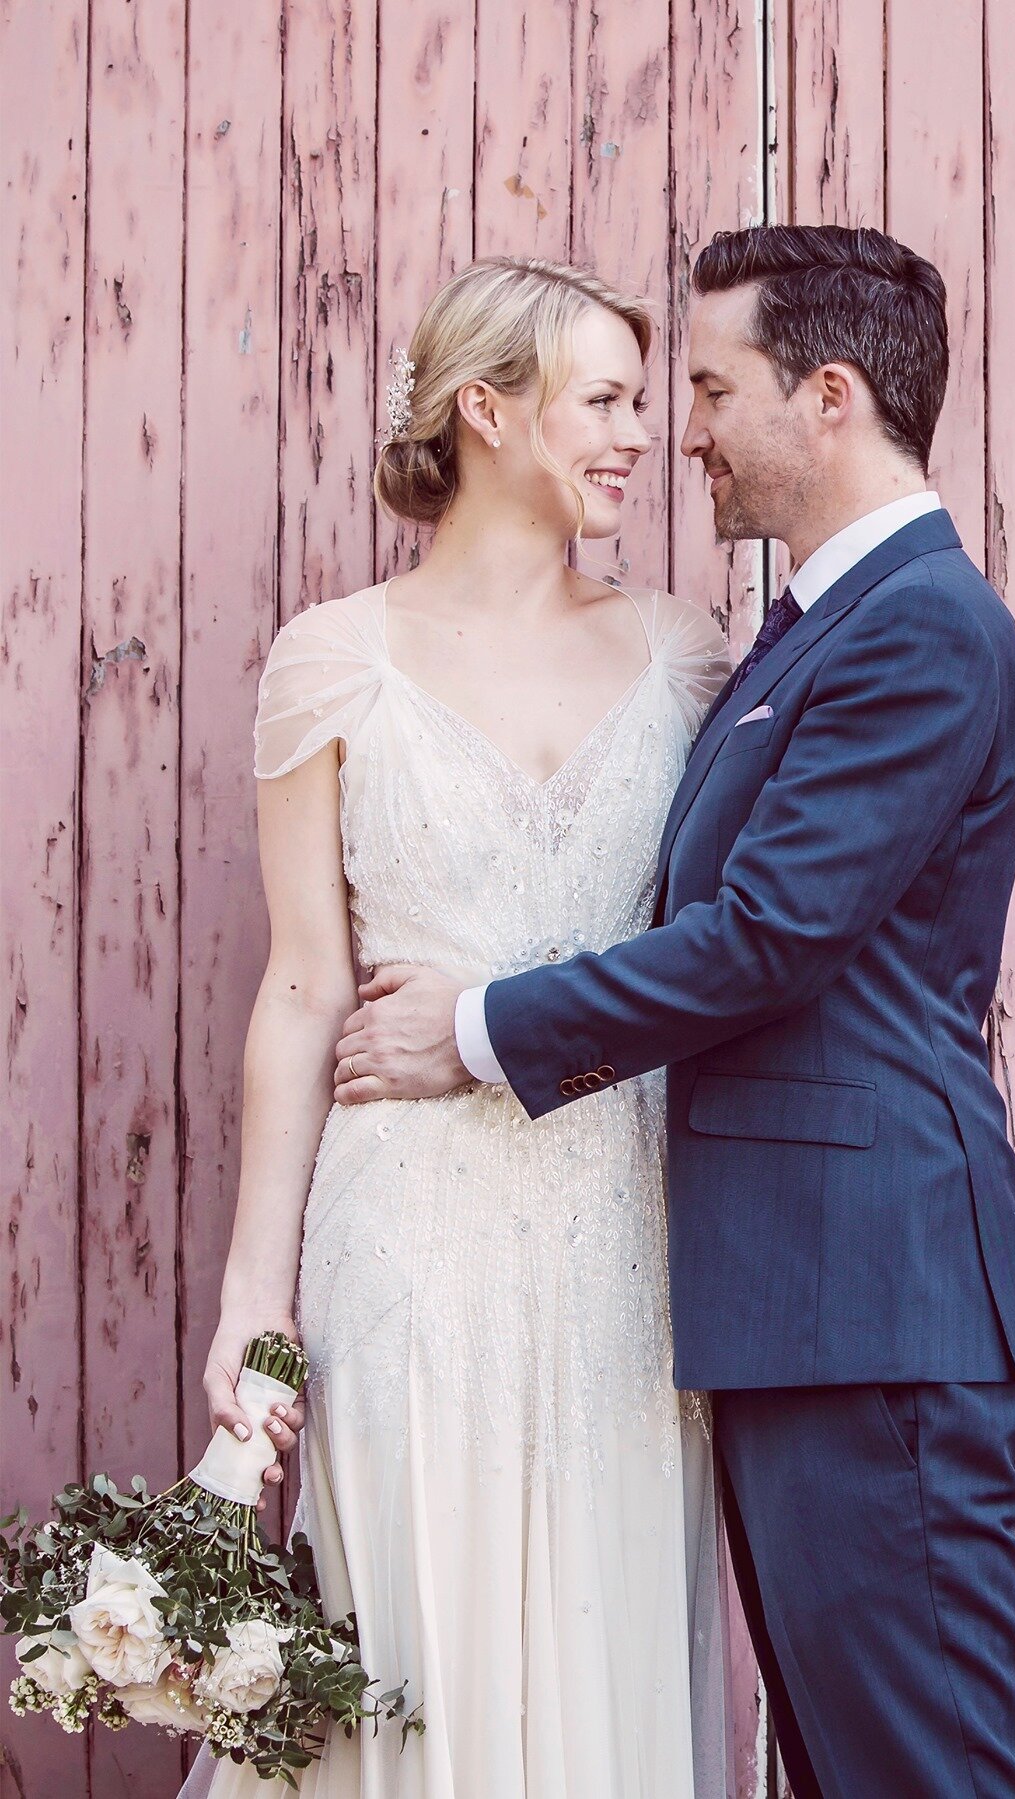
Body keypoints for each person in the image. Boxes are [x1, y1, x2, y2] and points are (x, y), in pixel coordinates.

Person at [341, 224, 1015, 1799]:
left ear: (828, 396)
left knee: (925, 1774)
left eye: (715, 385)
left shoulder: (928, 627)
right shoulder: (810, 634)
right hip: (804, 1308)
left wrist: (477, 1028)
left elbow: (765, 939)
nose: (685, 427)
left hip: (881, 1307)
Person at [190, 256, 732, 1798]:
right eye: (607, 399)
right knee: (409, 1650)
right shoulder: (334, 658)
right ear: (486, 410)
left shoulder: (686, 657)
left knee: (605, 1630)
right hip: (408, 1235)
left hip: (627, 1235)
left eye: (646, 400)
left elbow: (718, 955)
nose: (643, 434)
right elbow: (303, 986)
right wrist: (253, 1299)